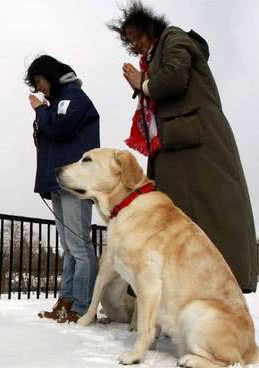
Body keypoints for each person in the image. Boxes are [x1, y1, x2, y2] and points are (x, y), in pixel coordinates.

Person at [110, 1, 257, 292]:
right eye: (130, 41)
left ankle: (215, 289)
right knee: (175, 222)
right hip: (178, 145)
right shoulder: (154, 57)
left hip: (196, 145)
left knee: (207, 218)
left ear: (150, 28)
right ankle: (179, 293)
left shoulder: (175, 37)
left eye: (138, 36)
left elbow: (176, 77)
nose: (136, 44)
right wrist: (145, 83)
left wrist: (145, 84)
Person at [25, 55, 100, 322]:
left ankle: (82, 307)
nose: (39, 88)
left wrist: (40, 111)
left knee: (79, 245)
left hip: (74, 183)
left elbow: (61, 129)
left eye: (39, 81)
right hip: (59, 182)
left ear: (50, 74)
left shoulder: (72, 96)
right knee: (69, 247)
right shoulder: (59, 102)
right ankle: (66, 301)